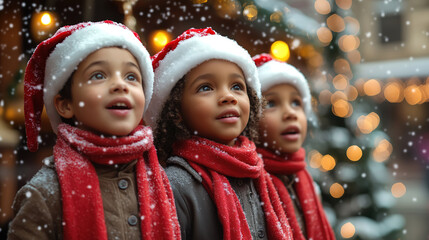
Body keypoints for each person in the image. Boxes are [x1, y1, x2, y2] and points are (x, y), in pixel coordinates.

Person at [8, 20, 180, 240]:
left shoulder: (164, 181)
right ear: (65, 105)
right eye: (98, 75)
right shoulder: (45, 194)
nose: (120, 85)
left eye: (131, 76)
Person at [145, 27, 294, 240]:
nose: (228, 97)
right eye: (206, 87)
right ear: (176, 110)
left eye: (236, 86)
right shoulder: (175, 184)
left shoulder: (260, 175)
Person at [253, 53, 335, 240]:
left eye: (296, 102)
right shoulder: (248, 186)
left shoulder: (306, 183)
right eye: (271, 103)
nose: (290, 113)